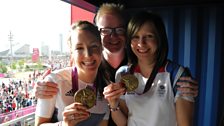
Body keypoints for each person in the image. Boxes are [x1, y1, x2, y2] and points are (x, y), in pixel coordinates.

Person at [34, 3, 198, 126]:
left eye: (119, 30)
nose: (113, 36)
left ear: (126, 33)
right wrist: (40, 86)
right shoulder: (87, 67)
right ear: (98, 34)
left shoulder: (135, 63)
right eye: (106, 30)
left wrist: (184, 84)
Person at [103, 11, 195, 126]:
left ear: (159, 39)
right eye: (135, 37)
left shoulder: (177, 74)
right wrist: (113, 104)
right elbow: (123, 123)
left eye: (149, 36)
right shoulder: (123, 74)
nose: (141, 43)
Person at [35, 21, 109, 126]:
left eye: (94, 46)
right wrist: (64, 125)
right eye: (79, 48)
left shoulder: (107, 87)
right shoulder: (54, 82)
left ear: (101, 48)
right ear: (71, 52)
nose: (88, 55)